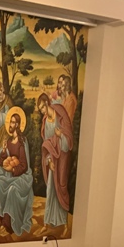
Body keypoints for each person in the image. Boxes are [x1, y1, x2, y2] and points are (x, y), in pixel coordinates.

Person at [0, 108, 35, 236]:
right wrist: (3, 151)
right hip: (9, 176)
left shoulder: (22, 142)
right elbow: (1, 162)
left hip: (22, 178)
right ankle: (2, 222)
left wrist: (13, 169)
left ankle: (8, 226)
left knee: (11, 190)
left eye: (13, 122)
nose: (10, 125)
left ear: (17, 125)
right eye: (10, 122)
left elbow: (24, 166)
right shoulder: (8, 142)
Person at [37, 93, 74, 236]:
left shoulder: (60, 114)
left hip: (63, 159)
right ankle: (47, 223)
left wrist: (60, 136)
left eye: (42, 108)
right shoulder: (46, 122)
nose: (42, 111)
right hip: (53, 159)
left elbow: (68, 141)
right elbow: (47, 144)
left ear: (47, 103)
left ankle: (64, 225)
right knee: (51, 189)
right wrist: (49, 161)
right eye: (40, 109)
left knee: (62, 187)